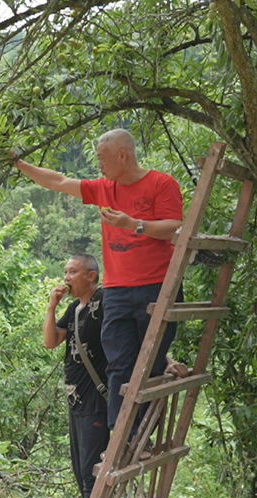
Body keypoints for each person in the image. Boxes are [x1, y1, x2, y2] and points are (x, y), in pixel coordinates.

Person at [13, 128, 184, 436]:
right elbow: (59, 182)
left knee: (150, 365)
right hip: (117, 289)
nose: (99, 166)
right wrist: (20, 164)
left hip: (156, 286)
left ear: (123, 155)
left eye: (103, 159)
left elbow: (176, 228)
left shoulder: (161, 184)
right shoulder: (104, 187)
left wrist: (133, 225)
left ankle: (141, 435)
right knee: (118, 363)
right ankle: (120, 435)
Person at [43, 254, 108, 498]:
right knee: (81, 472)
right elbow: (50, 341)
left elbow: (133, 335)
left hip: (95, 401)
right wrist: (51, 307)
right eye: (65, 273)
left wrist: (168, 361)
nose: (66, 278)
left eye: (72, 272)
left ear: (91, 276)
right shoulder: (74, 309)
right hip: (75, 402)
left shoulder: (104, 301)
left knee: (92, 473)